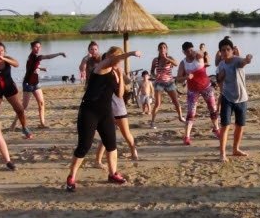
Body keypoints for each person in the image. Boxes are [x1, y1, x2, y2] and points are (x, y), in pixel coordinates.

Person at [65, 47, 142, 191]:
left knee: (111, 144)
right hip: (89, 111)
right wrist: (131, 53)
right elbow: (113, 60)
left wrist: (119, 75)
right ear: (109, 57)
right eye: (116, 58)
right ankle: (71, 177)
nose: (118, 61)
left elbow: (119, 94)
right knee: (84, 145)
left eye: (119, 58)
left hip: (106, 112)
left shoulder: (114, 72)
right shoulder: (99, 67)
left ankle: (112, 173)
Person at [95, 52, 139, 166]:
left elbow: (126, 86)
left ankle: (134, 151)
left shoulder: (118, 71)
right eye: (109, 60)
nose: (112, 62)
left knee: (126, 133)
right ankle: (98, 160)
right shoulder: (101, 73)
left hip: (119, 107)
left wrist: (122, 75)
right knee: (106, 136)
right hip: (106, 108)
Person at [13, 40, 66, 130]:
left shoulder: (34, 57)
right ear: (32, 48)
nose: (37, 49)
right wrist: (59, 53)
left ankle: (42, 123)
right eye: (35, 47)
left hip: (36, 83)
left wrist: (40, 69)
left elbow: (32, 67)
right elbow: (48, 57)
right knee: (24, 107)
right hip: (28, 83)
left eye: (39, 47)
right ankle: (13, 124)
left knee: (41, 103)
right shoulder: (35, 56)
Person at [216, 37, 253, 162]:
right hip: (227, 97)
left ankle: (235, 149)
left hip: (242, 98)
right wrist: (220, 77)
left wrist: (247, 59)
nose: (226, 52)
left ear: (232, 50)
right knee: (225, 126)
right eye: (223, 50)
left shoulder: (236, 60)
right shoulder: (221, 64)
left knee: (240, 125)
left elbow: (243, 62)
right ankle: (222, 153)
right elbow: (218, 80)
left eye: (228, 49)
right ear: (220, 52)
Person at [176, 41, 219, 145]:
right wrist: (186, 77)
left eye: (191, 50)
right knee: (191, 113)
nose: (189, 52)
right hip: (192, 90)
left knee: (213, 108)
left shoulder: (198, 56)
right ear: (183, 52)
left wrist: (198, 51)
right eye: (187, 51)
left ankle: (216, 129)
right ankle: (186, 136)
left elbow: (202, 52)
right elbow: (178, 79)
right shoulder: (183, 63)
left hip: (206, 87)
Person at [0, 41, 33, 139]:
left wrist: (3, 58)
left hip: (9, 87)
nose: (0, 52)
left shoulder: (7, 59)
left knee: (20, 109)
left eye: (2, 50)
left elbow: (16, 64)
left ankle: (24, 128)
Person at [150, 42, 184, 129]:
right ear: (158, 49)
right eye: (161, 48)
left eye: (164, 48)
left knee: (176, 101)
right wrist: (154, 75)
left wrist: (166, 58)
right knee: (157, 103)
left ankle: (180, 117)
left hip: (169, 82)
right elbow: (152, 71)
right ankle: (152, 122)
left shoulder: (169, 58)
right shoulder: (155, 60)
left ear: (166, 49)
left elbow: (176, 64)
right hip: (159, 83)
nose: (162, 49)